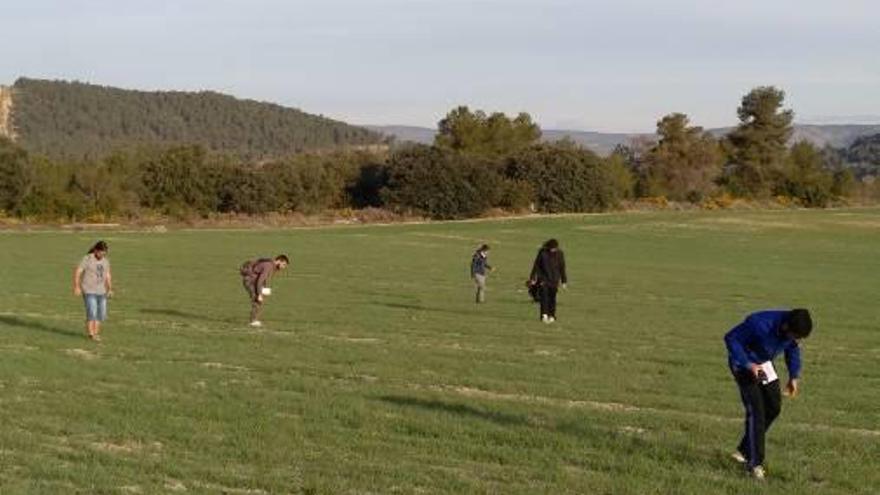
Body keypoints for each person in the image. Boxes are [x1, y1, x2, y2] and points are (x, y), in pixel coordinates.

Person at [723, 308, 813, 480]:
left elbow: (792, 349)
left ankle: (743, 451)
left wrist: (794, 376)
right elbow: (731, 338)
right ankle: (754, 464)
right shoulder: (759, 323)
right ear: (786, 327)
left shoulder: (792, 330)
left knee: (773, 407)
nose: (796, 340)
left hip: (763, 364)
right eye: (795, 336)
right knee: (756, 411)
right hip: (743, 364)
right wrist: (749, 365)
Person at [73, 240, 113, 341]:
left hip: (102, 291)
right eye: (101, 252)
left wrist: (110, 288)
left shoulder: (105, 261)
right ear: (96, 250)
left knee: (101, 314)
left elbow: (108, 275)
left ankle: (96, 333)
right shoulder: (87, 259)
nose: (102, 254)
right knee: (92, 312)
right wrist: (77, 286)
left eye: (104, 252)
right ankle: (91, 335)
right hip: (89, 290)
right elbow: (78, 272)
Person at [239, 254, 289, 327]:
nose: (283, 267)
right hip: (250, 281)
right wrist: (259, 294)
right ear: (279, 261)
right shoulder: (269, 266)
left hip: (253, 281)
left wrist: (265, 289)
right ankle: (253, 321)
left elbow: (264, 279)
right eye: (283, 264)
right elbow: (261, 280)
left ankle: (254, 320)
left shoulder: (272, 266)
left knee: (259, 300)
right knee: (257, 299)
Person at [529, 239, 567, 323]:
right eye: (553, 248)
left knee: (552, 298)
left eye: (555, 248)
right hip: (543, 279)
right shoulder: (542, 253)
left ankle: (552, 315)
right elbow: (536, 265)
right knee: (544, 298)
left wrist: (564, 281)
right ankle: (544, 315)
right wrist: (532, 278)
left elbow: (562, 267)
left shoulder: (560, 254)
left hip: (554, 280)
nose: (554, 250)